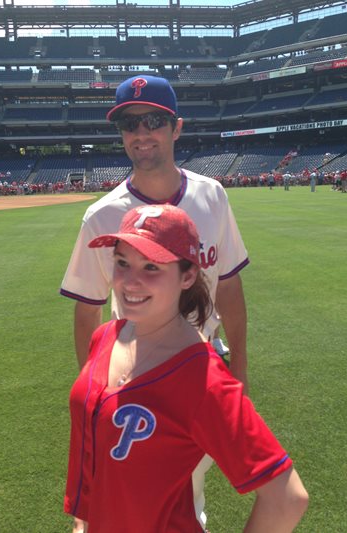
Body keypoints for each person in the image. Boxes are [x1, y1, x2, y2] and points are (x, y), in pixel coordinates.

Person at [61, 74, 249, 532]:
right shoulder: (101, 215)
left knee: (191, 492)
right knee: (137, 499)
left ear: (176, 128)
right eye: (129, 124)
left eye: (153, 121)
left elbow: (228, 285)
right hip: (139, 379)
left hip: (204, 373)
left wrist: (240, 371)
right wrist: (96, 389)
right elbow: (88, 309)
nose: (141, 133)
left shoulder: (211, 196)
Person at [64, 204, 309, 533]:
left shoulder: (204, 380)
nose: (130, 281)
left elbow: (287, 498)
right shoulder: (106, 337)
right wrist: (85, 520)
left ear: (188, 275)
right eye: (122, 262)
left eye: (151, 267)